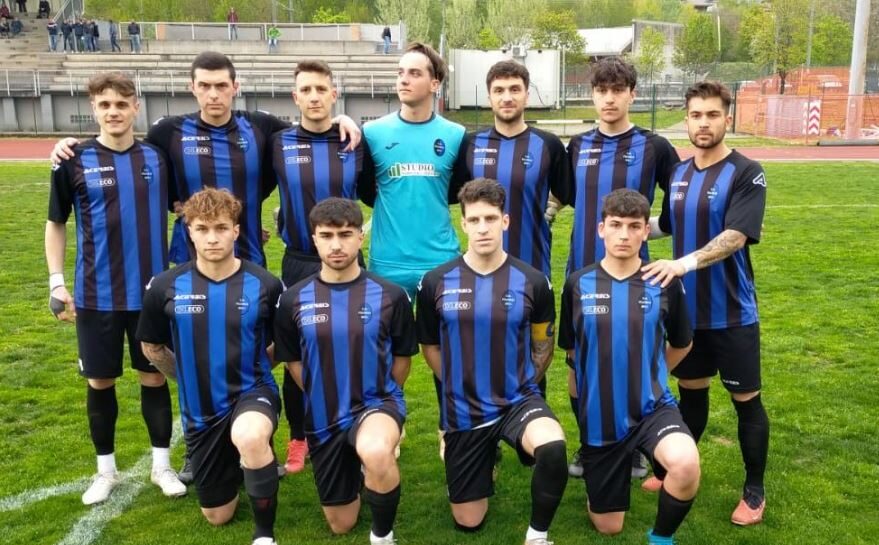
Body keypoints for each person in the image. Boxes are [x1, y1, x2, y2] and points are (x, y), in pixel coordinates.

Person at [51, 51, 361, 483]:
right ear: (192, 88)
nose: (214, 94)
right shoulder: (169, 132)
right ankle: (200, 447)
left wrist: (346, 119)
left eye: (221, 85)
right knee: (196, 358)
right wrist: (70, 146)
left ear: (236, 87)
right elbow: (120, 147)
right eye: (205, 85)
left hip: (250, 261)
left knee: (256, 354)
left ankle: (257, 443)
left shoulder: (260, 128)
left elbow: (312, 125)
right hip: (190, 262)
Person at [45, 72, 184, 506]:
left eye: (122, 104)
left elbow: (183, 208)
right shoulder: (73, 160)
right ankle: (105, 471)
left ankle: (162, 466)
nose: (113, 112)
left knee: (153, 377)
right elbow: (55, 223)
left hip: (150, 295)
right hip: (95, 294)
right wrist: (56, 282)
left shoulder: (158, 158)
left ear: (135, 107)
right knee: (100, 382)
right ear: (94, 109)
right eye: (104, 105)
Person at [641, 81, 769, 526]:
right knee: (690, 395)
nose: (703, 123)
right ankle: (674, 470)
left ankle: (754, 490)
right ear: (687, 119)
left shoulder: (747, 172)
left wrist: (683, 264)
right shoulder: (679, 173)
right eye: (696, 115)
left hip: (732, 313)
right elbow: (666, 223)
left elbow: (735, 236)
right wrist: (626, 227)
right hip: (688, 315)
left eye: (712, 115)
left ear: (726, 119)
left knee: (745, 401)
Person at [416, 179, 568, 545]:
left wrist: (521, 384)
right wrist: (458, 384)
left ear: (505, 221)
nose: (482, 228)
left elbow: (543, 344)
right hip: (464, 407)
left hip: (517, 400)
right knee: (468, 521)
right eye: (474, 220)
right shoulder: (435, 282)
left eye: (490, 218)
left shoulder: (533, 281)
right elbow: (430, 347)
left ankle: (537, 535)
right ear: (463, 224)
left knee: (552, 446)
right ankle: (478, 456)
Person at [138, 188, 284, 545]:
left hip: (252, 392)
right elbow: (151, 346)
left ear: (236, 230)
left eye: (221, 228)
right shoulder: (165, 286)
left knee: (250, 435)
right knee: (218, 516)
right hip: (201, 410)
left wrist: (257, 368)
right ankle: (240, 462)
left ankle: (264, 534)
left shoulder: (265, 284)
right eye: (202, 229)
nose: (212, 238)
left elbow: (285, 343)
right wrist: (189, 376)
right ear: (189, 231)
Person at [559, 188, 699, 544]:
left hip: (652, 408)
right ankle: (602, 481)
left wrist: (652, 375)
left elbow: (683, 343)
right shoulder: (577, 284)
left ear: (645, 232)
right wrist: (582, 410)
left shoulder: (664, 282)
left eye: (634, 226)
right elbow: (573, 355)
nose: (624, 234)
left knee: (685, 464)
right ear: (601, 229)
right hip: (600, 416)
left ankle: (661, 538)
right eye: (616, 224)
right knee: (609, 526)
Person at [564, 56, 680, 481]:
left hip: (636, 277)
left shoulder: (654, 147)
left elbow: (681, 201)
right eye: (601, 91)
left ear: (633, 94)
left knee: (632, 363)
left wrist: (654, 230)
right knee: (579, 365)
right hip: (582, 272)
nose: (609, 99)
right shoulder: (577, 145)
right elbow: (564, 195)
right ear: (592, 96)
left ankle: (633, 446)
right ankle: (590, 442)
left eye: (617, 91)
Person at [275, 198, 416, 545]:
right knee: (341, 524)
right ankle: (360, 466)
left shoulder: (391, 295)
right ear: (314, 239)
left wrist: (385, 397)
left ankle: (382, 535)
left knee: (377, 450)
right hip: (324, 415)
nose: (336, 245)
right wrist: (321, 392)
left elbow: (402, 358)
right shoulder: (293, 300)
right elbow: (294, 362)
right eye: (327, 236)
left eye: (345, 234)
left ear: (360, 237)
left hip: (376, 404)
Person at [269, 59, 368, 475]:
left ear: (334, 94)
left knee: (355, 346)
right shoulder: (276, 141)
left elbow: (375, 190)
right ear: (295, 97)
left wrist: (349, 122)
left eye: (321, 89)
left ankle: (362, 426)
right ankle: (299, 437)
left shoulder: (354, 141)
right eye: (306, 90)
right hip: (299, 261)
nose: (314, 97)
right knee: (297, 351)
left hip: (350, 262)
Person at [358, 41, 466, 299]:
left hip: (440, 260)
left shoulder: (456, 135)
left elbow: (457, 193)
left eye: (415, 73)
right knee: (387, 328)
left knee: (446, 328)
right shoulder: (372, 133)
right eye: (400, 72)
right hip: (388, 262)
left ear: (434, 84)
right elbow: (366, 193)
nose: (404, 80)